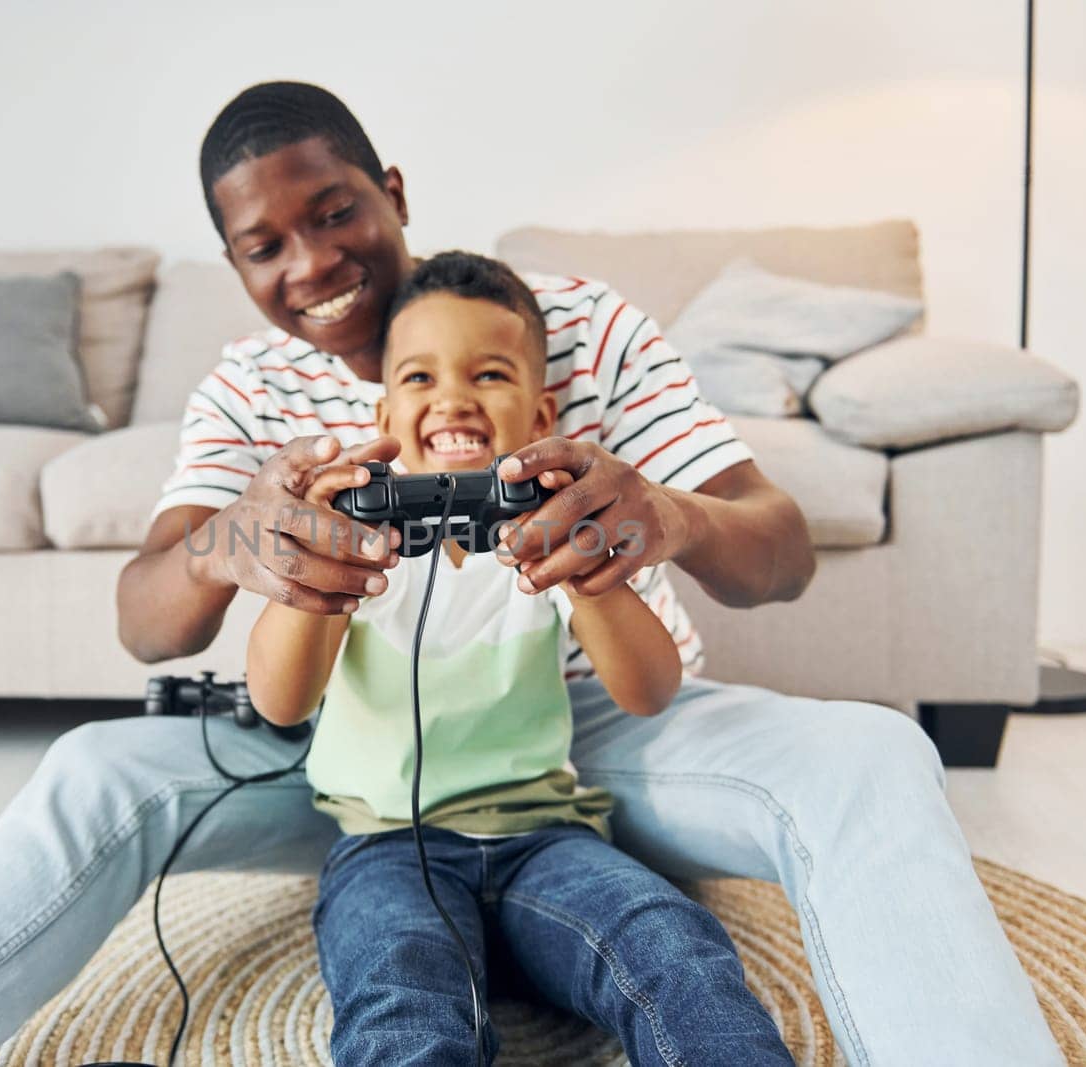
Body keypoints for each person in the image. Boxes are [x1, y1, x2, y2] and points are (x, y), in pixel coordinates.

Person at [0, 82, 1060, 1066]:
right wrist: (254, 542)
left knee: (876, 753)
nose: (314, 265)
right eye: (265, 246)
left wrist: (660, 518)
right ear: (233, 266)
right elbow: (144, 610)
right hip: (345, 756)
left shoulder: (577, 324)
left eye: (336, 211)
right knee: (90, 771)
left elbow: (781, 549)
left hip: (591, 735)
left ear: (392, 191)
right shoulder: (247, 388)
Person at [249, 249, 796, 1065]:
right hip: (389, 846)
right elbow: (281, 701)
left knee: (671, 946)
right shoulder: (356, 549)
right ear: (385, 414)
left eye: (490, 374)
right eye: (420, 379)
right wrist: (312, 570)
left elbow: (648, 690)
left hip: (546, 836)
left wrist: (590, 570)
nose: (453, 398)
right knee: (402, 994)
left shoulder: (544, 540)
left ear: (541, 419)